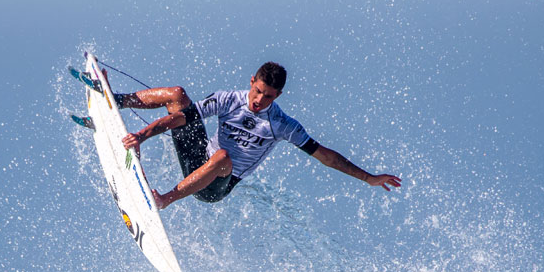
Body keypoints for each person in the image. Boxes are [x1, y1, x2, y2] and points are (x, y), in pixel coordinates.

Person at [116, 62, 402, 210]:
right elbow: (181, 117)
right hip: (198, 156)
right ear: (251, 81)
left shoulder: (281, 124)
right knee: (177, 96)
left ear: (278, 96)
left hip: (215, 185)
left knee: (223, 157)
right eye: (258, 91)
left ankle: (164, 200)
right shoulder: (229, 100)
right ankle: (117, 100)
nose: (259, 100)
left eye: (268, 97)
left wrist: (368, 178)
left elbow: (326, 156)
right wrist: (143, 135)